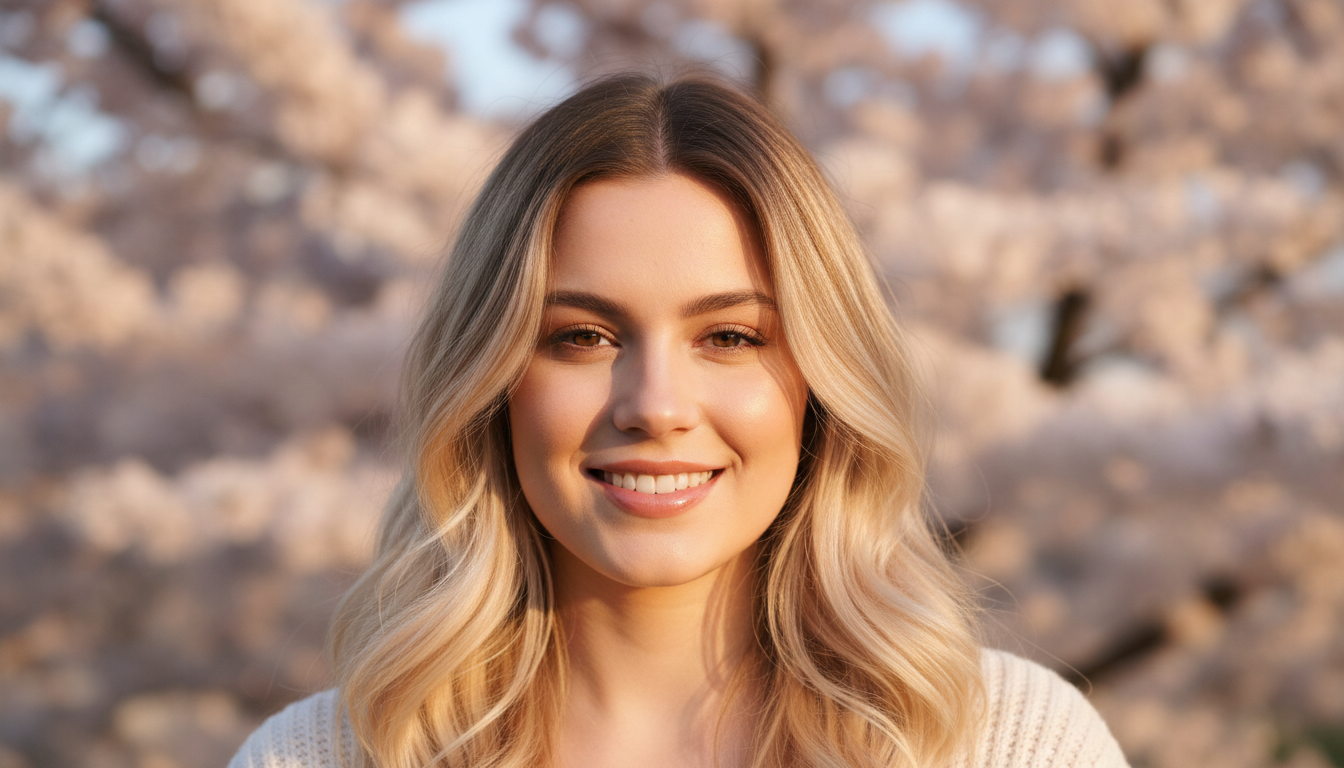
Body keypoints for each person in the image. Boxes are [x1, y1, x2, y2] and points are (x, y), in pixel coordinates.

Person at [229, 72, 1129, 768]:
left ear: (822, 380)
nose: (654, 404)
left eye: (730, 336)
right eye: (580, 336)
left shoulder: (1006, 745)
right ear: (492, 380)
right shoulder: (320, 758)